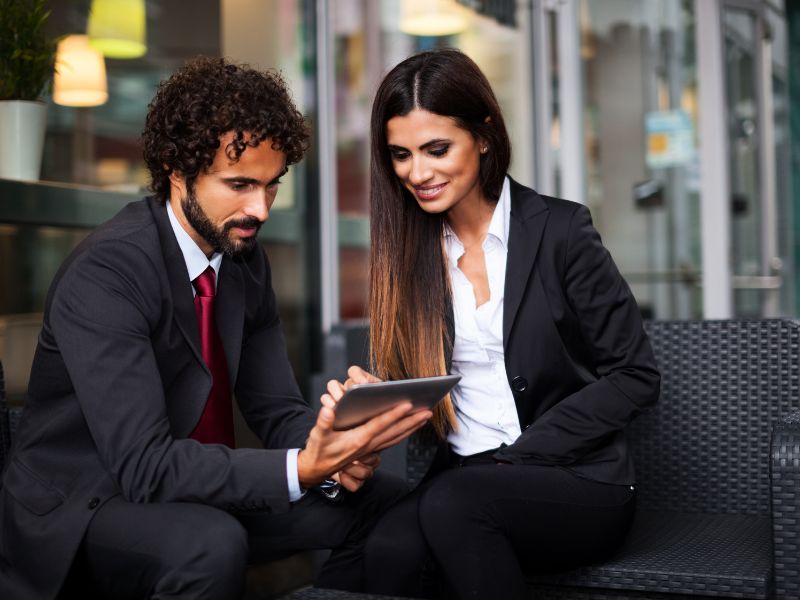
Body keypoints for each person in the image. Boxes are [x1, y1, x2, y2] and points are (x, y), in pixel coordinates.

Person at [0, 56, 431, 600]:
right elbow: (144, 465)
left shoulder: (244, 261)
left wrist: (336, 449)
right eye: (240, 184)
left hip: (199, 488)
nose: (261, 208)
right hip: (85, 504)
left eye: (272, 186)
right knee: (210, 542)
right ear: (176, 169)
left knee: (393, 507)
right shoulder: (108, 272)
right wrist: (301, 467)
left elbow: (275, 410)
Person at [330, 48, 661, 599]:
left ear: (484, 136)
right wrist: (378, 398)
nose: (419, 173)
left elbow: (635, 375)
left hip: (577, 479)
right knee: (384, 549)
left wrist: (518, 457)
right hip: (461, 479)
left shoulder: (561, 230)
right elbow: (420, 394)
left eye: (437, 149)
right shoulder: (407, 256)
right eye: (401, 155)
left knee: (454, 505)